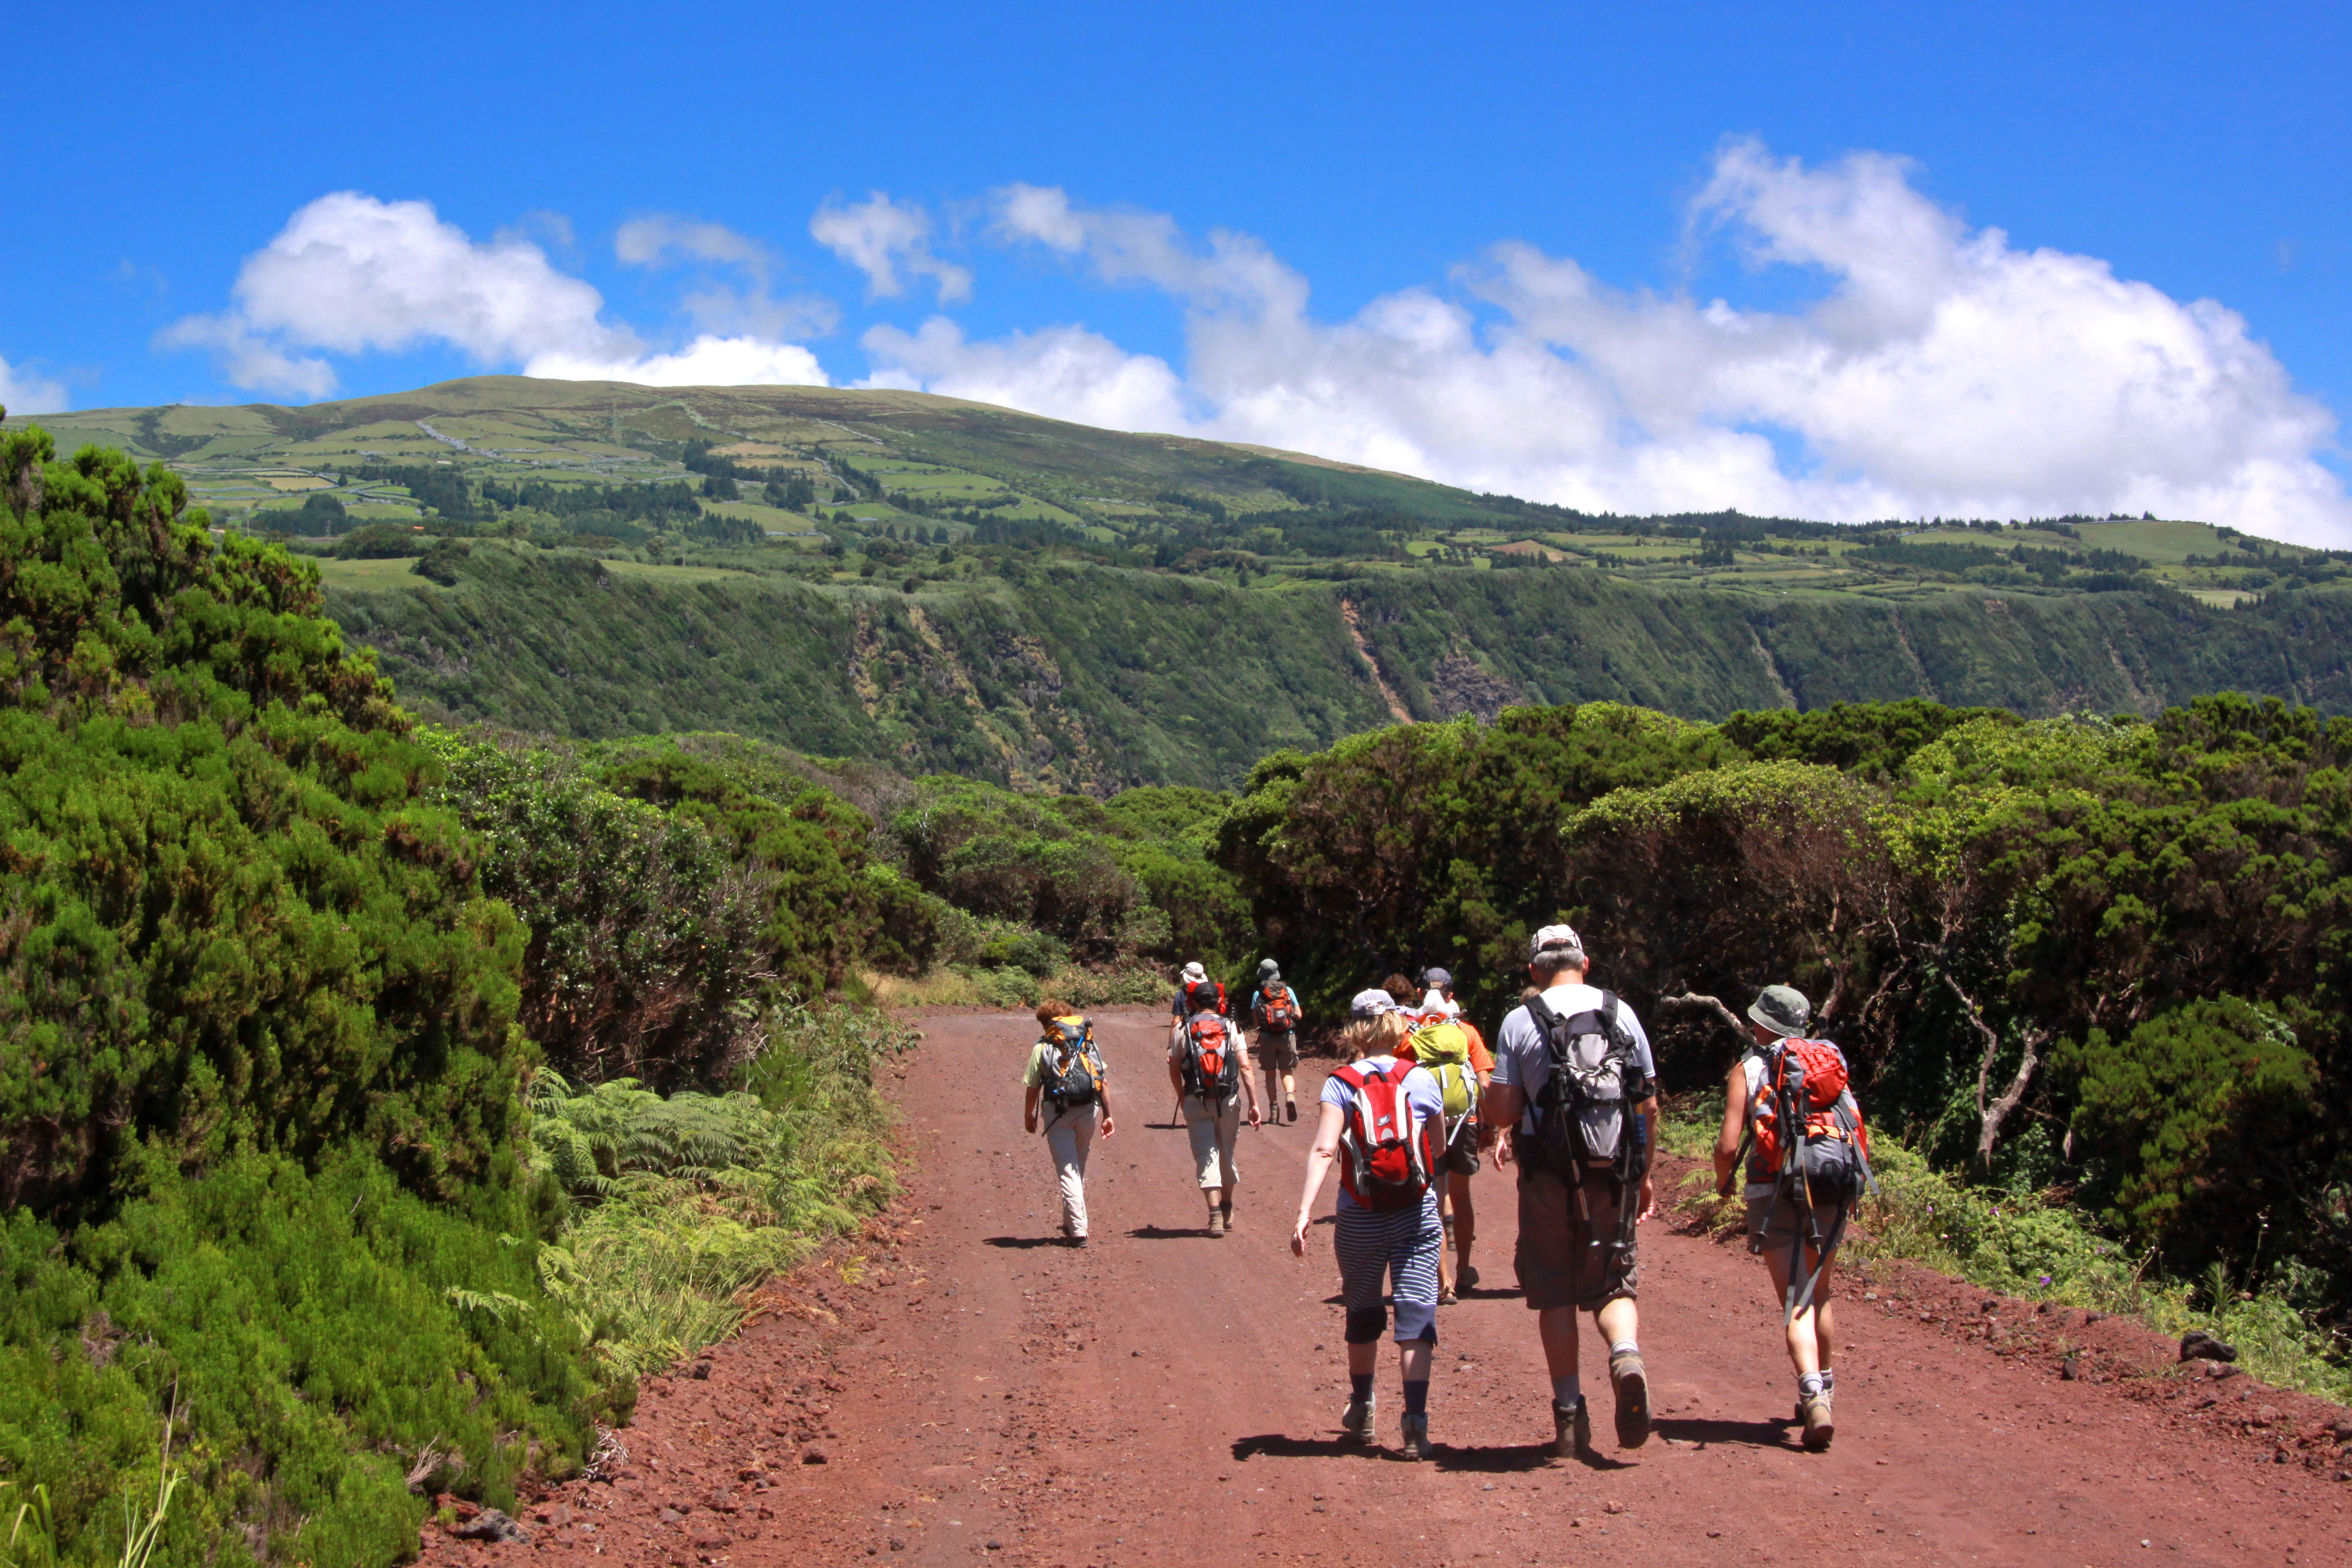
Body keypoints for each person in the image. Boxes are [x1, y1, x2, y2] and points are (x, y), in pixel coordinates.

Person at [1481, 924, 1659, 1459]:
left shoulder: (1519, 1021)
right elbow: (1647, 1103)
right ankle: (1625, 1355)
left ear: (1534, 970)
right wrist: (1644, 1176)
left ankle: (1569, 1415)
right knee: (1613, 1280)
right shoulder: (1621, 1012)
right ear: (1585, 963)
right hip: (1612, 1170)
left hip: (1546, 1174)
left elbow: (1506, 1112)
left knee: (1556, 1291)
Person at [1289, 991, 1447, 1460]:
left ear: (1355, 1030)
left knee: (1361, 1308)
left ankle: (1363, 1409)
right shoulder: (1422, 1080)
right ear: (1398, 1027)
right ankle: (1415, 1424)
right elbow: (1436, 1150)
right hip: (1417, 1212)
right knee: (1416, 1312)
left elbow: (1323, 1150)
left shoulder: (1340, 1083)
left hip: (1359, 1215)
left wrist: (1304, 1213)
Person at [1713, 984, 1869, 1453]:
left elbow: (1727, 1145)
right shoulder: (1826, 1061)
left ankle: (1812, 1395)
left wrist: (1722, 1184)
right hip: (1829, 1185)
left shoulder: (1749, 1067)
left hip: (1774, 1189)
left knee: (1794, 1300)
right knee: (1819, 1292)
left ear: (1765, 1025)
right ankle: (1827, 1387)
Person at [1410, 967, 1494, 1303]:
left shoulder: (1410, 1032)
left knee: (1434, 1193)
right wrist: (1487, 1125)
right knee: (1462, 1195)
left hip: (1425, 1126)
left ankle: (1442, 1281)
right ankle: (1464, 1269)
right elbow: (1485, 1083)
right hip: (1465, 1121)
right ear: (1451, 996)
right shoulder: (1467, 1033)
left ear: (1419, 995)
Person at [1169, 976, 1261, 1234]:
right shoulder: (1231, 1026)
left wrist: (1182, 1096)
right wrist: (1254, 1103)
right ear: (1219, 1001)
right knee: (1226, 1153)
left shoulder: (1182, 1029)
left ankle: (1215, 1216)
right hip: (1228, 1099)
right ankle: (1228, 1207)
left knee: (1204, 1154)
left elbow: (1174, 1069)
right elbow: (1245, 1066)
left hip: (1196, 1100)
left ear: (1194, 1003)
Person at [1022, 999, 1117, 1246]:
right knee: (1078, 1168)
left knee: (1068, 1171)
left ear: (1046, 1024)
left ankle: (1078, 1231)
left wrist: (1029, 1115)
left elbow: (1033, 1088)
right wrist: (1108, 1115)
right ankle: (1070, 1220)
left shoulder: (1042, 1049)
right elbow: (1102, 1081)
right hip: (1088, 1111)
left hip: (1057, 1114)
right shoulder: (1088, 1043)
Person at [1248, 959, 1303, 1124]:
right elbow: (1299, 1015)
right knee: (1287, 1071)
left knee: (1270, 1074)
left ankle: (1274, 1110)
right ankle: (1290, 1097)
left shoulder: (1258, 993)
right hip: (1288, 1035)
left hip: (1267, 1038)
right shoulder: (1288, 990)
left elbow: (1256, 1023)